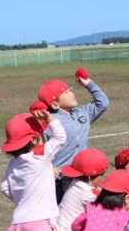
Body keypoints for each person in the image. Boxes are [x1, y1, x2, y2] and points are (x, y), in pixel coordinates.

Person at [0, 110, 66, 231]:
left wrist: (21, 201)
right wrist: (50, 118)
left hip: (20, 224)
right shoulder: (40, 156)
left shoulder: (13, 163)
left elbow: (4, 187)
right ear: (35, 139)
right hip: (42, 224)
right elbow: (61, 137)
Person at [37, 69, 109, 202]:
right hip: (61, 178)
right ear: (54, 104)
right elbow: (38, 150)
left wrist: (88, 83)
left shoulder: (82, 113)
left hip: (85, 173)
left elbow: (103, 103)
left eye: (70, 90)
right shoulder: (49, 121)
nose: (72, 94)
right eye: (66, 92)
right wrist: (47, 169)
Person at [56, 148, 109, 231]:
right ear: (91, 176)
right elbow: (104, 204)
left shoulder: (77, 183)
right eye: (102, 175)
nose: (103, 178)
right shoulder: (86, 192)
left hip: (61, 230)